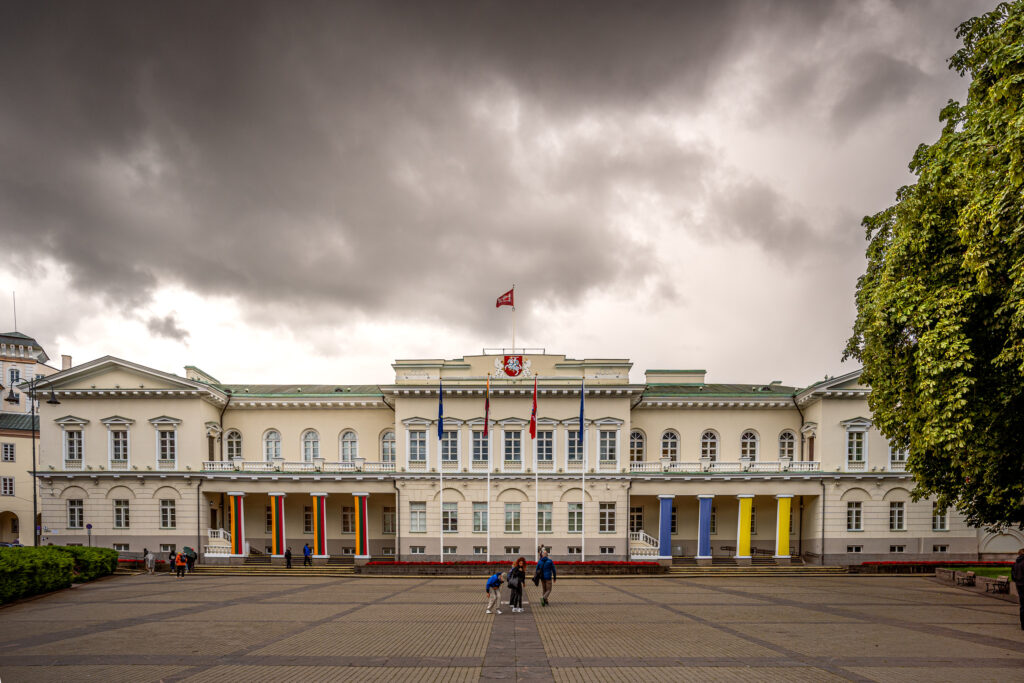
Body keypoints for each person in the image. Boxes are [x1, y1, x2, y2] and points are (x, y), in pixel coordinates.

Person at [1012, 547, 1024, 631]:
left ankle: (1023, 625)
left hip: (1019, 585)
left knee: (1022, 605)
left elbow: (1013, 576)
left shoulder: (1016, 563)